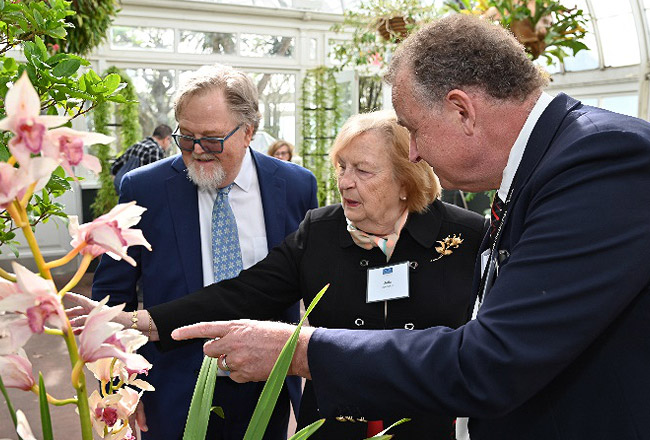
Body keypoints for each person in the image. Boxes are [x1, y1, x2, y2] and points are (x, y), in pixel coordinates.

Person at [169, 14, 650, 440]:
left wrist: (300, 351)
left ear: (462, 110)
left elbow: (492, 360)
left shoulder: (599, 160)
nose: (414, 153)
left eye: (414, 129)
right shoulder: (552, 163)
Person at [71, 110, 486, 439]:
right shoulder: (319, 232)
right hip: (334, 425)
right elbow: (242, 293)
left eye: (363, 170)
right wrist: (136, 322)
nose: (345, 182)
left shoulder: (467, 237)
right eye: (341, 167)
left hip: (432, 425)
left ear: (404, 180)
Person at [91, 64, 318, 440]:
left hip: (267, 387)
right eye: (186, 137)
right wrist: (119, 388)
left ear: (248, 132)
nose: (197, 151)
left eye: (212, 139)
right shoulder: (145, 189)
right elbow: (112, 295)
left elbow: (312, 283)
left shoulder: (295, 186)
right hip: (171, 389)